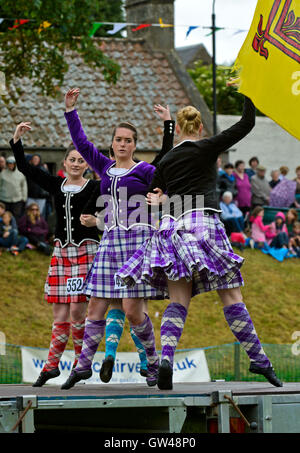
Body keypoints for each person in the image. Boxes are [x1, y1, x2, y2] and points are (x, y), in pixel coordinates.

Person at [116, 94, 282, 390]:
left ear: (178, 129)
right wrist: (248, 95)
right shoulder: (207, 147)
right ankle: (260, 360)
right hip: (202, 222)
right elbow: (247, 123)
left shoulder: (166, 160)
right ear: (200, 127)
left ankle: (166, 358)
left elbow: (157, 192)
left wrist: (158, 198)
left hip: (171, 226)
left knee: (178, 300)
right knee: (231, 297)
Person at [61, 88, 175, 390]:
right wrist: (71, 111)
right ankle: (84, 365)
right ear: (112, 144)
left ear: (134, 145)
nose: (122, 144)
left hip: (138, 242)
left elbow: (167, 166)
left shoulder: (146, 170)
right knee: (95, 306)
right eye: (118, 139)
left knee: (132, 311)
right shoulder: (104, 167)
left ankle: (151, 361)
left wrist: (168, 124)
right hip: (111, 241)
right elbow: (82, 144)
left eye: (128, 140)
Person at [10, 124, 101, 387]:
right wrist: (17, 141)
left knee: (77, 311)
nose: (75, 163)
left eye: (80, 160)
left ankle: (79, 365)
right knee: (59, 314)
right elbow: (27, 169)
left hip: (86, 251)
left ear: (87, 164)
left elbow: (117, 207)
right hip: (61, 251)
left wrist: (97, 220)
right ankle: (51, 366)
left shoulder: (96, 187)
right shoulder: (56, 184)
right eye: (72, 159)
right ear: (64, 163)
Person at [0, 155, 27, 219]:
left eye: (12, 164)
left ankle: (15, 229)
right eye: (9, 164)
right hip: (4, 199)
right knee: (4, 216)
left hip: (17, 200)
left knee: (16, 216)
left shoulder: (20, 174)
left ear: (15, 164)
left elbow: (24, 186)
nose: (11, 165)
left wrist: (24, 197)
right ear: (7, 164)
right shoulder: (2, 174)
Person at [25, 153, 50, 218]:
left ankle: (39, 227)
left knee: (40, 214)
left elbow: (48, 182)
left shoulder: (44, 170)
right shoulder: (28, 169)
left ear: (39, 160)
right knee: (29, 213)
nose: (35, 160)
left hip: (41, 196)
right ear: (31, 160)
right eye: (34, 159)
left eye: (37, 159)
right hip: (30, 196)